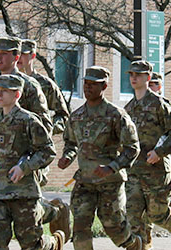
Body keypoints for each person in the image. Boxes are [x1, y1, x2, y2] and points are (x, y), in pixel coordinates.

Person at [0, 37, 70, 244]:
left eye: (5, 53)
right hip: (0, 164)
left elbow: (45, 124)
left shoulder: (30, 86)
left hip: (27, 161)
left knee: (27, 224)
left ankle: (53, 212)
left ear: (16, 56)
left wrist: (28, 160)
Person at [57, 66, 144, 250]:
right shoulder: (77, 116)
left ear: (104, 86)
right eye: (86, 83)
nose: (88, 87)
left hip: (110, 182)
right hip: (85, 181)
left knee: (114, 227)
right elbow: (71, 143)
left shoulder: (116, 115)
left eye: (93, 84)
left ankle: (134, 244)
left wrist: (112, 167)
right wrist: (67, 157)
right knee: (80, 228)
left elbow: (132, 148)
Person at [122, 61, 171, 250]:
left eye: (138, 74)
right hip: (134, 172)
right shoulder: (129, 109)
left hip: (156, 171)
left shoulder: (159, 105)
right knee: (133, 218)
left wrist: (159, 152)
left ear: (148, 77)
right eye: (131, 74)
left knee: (157, 215)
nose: (134, 78)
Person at [18, 38, 74, 241]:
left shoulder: (45, 85)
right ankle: (53, 212)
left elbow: (63, 116)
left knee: (29, 199)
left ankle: (54, 215)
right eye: (17, 53)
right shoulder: (6, 82)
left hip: (37, 151)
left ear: (32, 56)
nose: (19, 58)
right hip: (12, 150)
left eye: (24, 54)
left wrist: (46, 130)